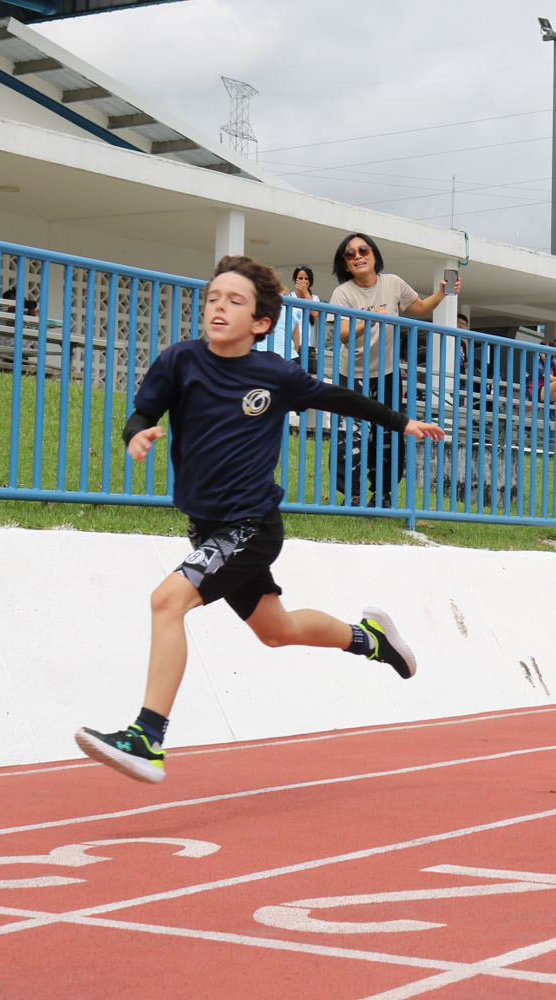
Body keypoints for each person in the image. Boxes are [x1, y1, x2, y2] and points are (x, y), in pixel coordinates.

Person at [74, 256, 446, 784]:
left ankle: (147, 738)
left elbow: (340, 398)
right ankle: (371, 640)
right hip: (208, 527)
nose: (219, 307)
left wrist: (402, 421)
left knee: (167, 599)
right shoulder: (179, 361)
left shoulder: (276, 375)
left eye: (235, 301)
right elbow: (143, 412)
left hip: (250, 524)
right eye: (213, 298)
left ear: (262, 323)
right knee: (277, 629)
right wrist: (135, 433)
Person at [329, 233, 458, 508]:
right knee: (351, 435)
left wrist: (442, 292)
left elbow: (420, 307)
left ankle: (383, 495)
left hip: (386, 374)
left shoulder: (393, 283)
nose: (358, 256)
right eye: (350, 254)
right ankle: (351, 496)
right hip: (352, 374)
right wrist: (372, 317)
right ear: (346, 264)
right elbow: (343, 335)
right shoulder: (343, 293)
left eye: (363, 250)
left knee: (388, 434)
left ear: (375, 255)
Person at [287, 266, 323, 374]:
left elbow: (315, 312)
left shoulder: (314, 298)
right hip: (291, 344)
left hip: (307, 347)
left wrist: (305, 292)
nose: (303, 281)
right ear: (295, 280)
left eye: (306, 279)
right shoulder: (289, 296)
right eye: (300, 278)